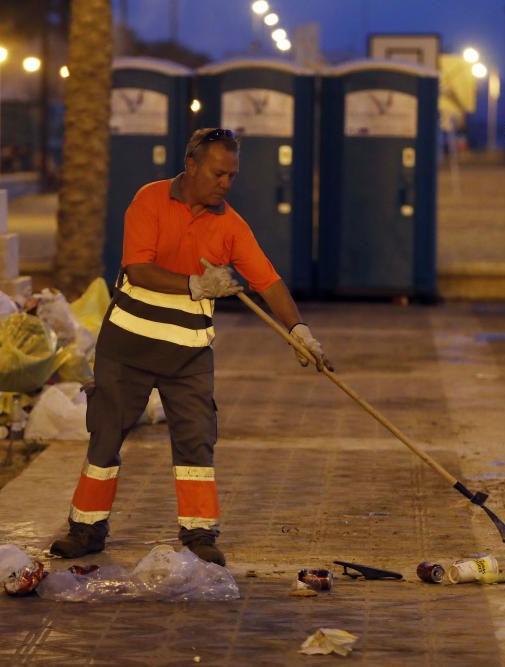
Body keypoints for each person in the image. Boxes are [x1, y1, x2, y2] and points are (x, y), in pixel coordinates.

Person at [50, 128, 331, 567]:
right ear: (192, 165)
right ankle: (86, 529)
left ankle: (199, 534)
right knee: (105, 437)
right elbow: (138, 269)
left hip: (188, 355)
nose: (225, 183)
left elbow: (269, 282)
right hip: (128, 347)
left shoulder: (231, 225)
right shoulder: (149, 201)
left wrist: (298, 330)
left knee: (196, 443)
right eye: (218, 173)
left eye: (232, 176)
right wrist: (195, 284)